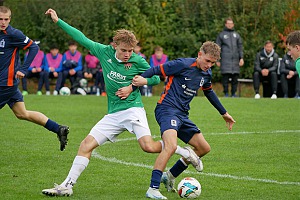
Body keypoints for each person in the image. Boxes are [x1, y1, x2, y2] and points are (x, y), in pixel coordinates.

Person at [42, 8, 201, 197]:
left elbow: (156, 78)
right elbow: (81, 38)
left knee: (148, 147)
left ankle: (180, 150)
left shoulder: (138, 61)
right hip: (114, 113)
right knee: (86, 145)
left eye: (130, 50)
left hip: (133, 110)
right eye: (124, 50)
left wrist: (140, 82)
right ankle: (67, 185)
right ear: (114, 45)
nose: (127, 54)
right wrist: (58, 21)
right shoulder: (103, 52)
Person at [132, 41, 236, 199]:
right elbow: (155, 70)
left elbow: (209, 92)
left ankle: (170, 176)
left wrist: (224, 113)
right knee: (170, 146)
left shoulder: (206, 74)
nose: (209, 65)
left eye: (213, 63)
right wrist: (135, 85)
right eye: (207, 61)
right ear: (200, 54)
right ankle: (152, 188)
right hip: (166, 110)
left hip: (182, 115)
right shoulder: (182, 64)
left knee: (203, 148)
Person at [0, 6, 69, 151]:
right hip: (7, 85)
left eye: (6, 19)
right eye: (0, 19)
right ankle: (58, 129)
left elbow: (34, 48)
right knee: (22, 113)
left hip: (6, 84)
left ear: (10, 19)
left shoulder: (13, 34)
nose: (3, 22)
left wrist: (23, 69)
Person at [216, 17, 244, 97]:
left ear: (233, 24)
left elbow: (240, 47)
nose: (229, 25)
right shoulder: (221, 35)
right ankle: (226, 93)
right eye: (228, 23)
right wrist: (217, 59)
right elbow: (217, 47)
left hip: (235, 60)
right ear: (225, 24)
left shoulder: (237, 35)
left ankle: (233, 93)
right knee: (225, 78)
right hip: (225, 60)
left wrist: (241, 58)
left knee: (235, 78)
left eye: (231, 23)